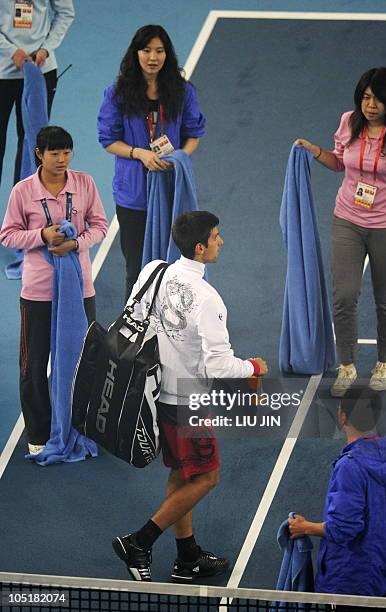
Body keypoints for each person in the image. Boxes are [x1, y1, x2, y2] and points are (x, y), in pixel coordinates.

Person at [112, 210, 268, 582]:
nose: (221, 242)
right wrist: (253, 368)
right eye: (216, 236)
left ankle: (188, 558)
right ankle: (140, 541)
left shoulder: (154, 270)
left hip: (155, 394)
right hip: (188, 403)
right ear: (200, 248)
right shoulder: (208, 298)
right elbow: (218, 366)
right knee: (207, 477)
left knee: (183, 475)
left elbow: (132, 315)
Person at [295, 67, 386, 397]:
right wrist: (314, 151)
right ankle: (347, 365)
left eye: (378, 99)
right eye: (366, 97)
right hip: (347, 220)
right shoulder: (348, 121)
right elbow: (340, 162)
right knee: (344, 295)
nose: (370, 105)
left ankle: (385, 362)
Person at [0, 126, 108, 454]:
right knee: (34, 364)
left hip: (79, 289)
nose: (62, 159)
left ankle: (80, 425)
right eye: (54, 153)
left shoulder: (85, 183)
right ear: (39, 154)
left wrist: (76, 243)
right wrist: (41, 236)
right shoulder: (22, 191)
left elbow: (100, 225)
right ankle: (38, 432)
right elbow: (7, 235)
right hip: (39, 293)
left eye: (66, 152)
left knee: (83, 361)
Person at [97, 24, 206, 301]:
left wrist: (178, 158)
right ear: (136, 54)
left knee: (176, 266)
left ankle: (173, 327)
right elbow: (108, 139)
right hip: (133, 195)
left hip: (172, 190)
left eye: (159, 51)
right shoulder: (117, 94)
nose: (153, 57)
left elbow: (193, 134)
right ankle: (134, 332)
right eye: (146, 50)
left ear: (167, 55)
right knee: (136, 269)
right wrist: (140, 153)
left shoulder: (182, 92)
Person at [288, 386, 386, 610]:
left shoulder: (349, 467)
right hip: (380, 566)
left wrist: (304, 527)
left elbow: (344, 528)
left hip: (348, 580)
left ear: (342, 416)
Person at [0, 0, 75, 187]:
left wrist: (46, 49)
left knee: (32, 142)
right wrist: (10, 51)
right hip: (2, 70)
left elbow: (65, 12)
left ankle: (24, 207)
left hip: (41, 69)